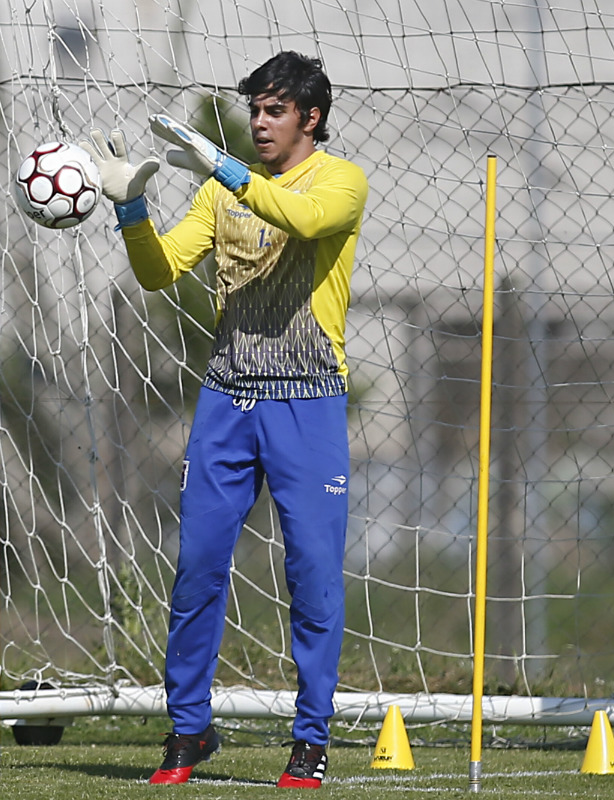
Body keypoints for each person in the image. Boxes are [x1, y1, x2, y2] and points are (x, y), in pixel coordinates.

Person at [81, 51, 368, 787]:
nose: (260, 123)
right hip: (226, 402)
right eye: (256, 110)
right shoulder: (220, 193)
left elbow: (302, 219)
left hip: (307, 404)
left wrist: (222, 166)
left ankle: (309, 740)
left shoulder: (340, 181)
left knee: (311, 577)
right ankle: (186, 730)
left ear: (310, 118)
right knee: (198, 567)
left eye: (275, 110)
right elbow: (157, 271)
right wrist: (130, 207)